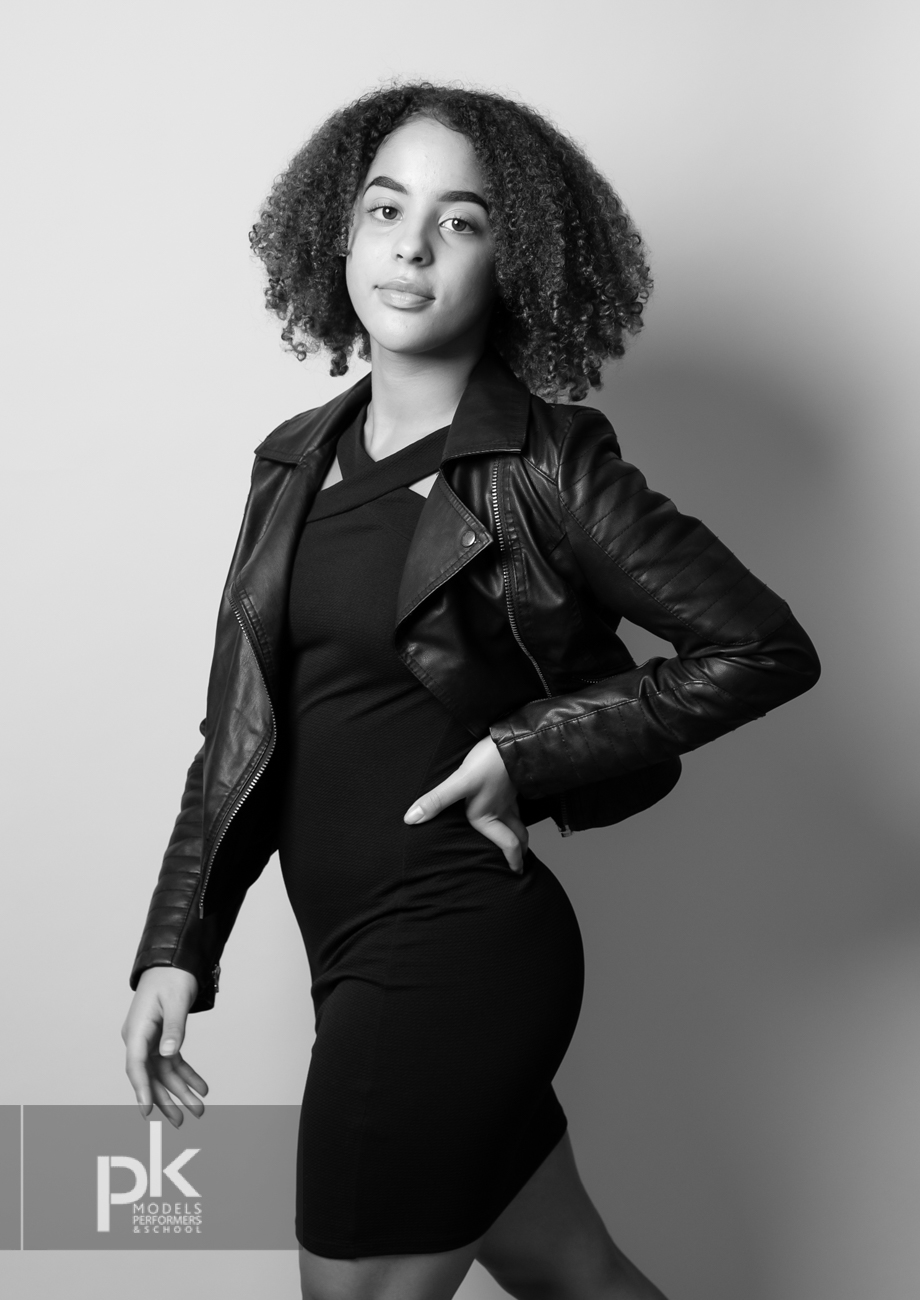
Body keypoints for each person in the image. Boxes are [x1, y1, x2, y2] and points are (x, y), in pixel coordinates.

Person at [121, 83, 820, 1300]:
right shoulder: (291, 462)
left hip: (451, 946)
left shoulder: (548, 462)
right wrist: (176, 947)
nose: (411, 245)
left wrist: (525, 749)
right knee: (574, 1271)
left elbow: (759, 645)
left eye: (459, 221)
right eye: (385, 209)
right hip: (349, 950)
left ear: (515, 262)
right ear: (337, 235)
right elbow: (235, 736)